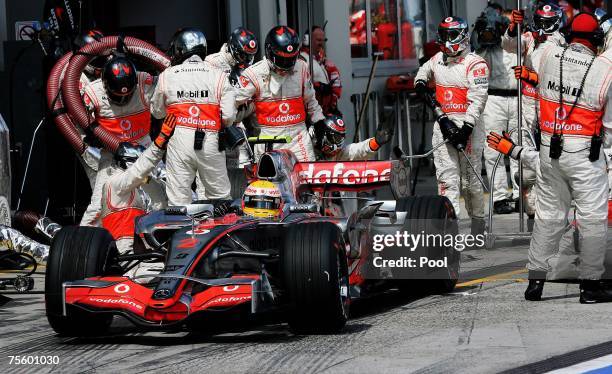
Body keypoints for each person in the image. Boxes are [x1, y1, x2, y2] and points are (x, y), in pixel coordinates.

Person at [519, 13, 611, 303]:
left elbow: (549, 42)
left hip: (549, 151)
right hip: (586, 154)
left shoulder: (547, 54)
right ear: (597, 40)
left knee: (547, 217)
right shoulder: (604, 69)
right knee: (593, 220)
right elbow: (609, 128)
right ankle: (590, 288)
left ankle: (535, 283)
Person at [414, 16, 489, 235]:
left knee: (470, 183)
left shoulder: (476, 63)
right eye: (444, 35)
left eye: (452, 35)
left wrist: (466, 129)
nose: (447, 40)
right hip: (442, 124)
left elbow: (479, 99)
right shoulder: (437, 59)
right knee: (447, 181)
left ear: (463, 36)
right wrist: (421, 84)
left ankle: (478, 227)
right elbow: (421, 74)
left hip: (469, 128)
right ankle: (451, 231)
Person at [150, 28, 237, 206]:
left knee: (179, 201)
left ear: (179, 50)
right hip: (210, 141)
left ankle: (183, 233)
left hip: (179, 141)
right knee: (220, 199)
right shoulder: (219, 75)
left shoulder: (167, 75)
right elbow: (228, 117)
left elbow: (157, 111)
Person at [80, 56, 160, 227]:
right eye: (118, 95)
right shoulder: (93, 92)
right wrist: (93, 136)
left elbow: (170, 88)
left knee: (163, 196)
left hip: (145, 148)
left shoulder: (144, 82)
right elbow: (79, 120)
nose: (123, 99)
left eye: (127, 94)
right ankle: (81, 245)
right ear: (105, 85)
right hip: (112, 153)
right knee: (98, 206)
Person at [503, 3, 566, 214]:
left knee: (548, 154)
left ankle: (548, 203)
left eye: (546, 23)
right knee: (523, 148)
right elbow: (509, 45)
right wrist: (514, 26)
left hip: (549, 103)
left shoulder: (561, 44)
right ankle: (528, 202)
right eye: (539, 22)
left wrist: (531, 77)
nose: (541, 27)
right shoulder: (529, 38)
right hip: (528, 102)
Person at [235, 25, 325, 162]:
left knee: (307, 180)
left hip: (298, 140)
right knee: (269, 184)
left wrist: (319, 121)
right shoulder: (253, 74)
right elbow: (230, 103)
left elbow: (311, 100)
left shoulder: (301, 67)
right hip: (268, 141)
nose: (286, 64)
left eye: (290, 59)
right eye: (282, 59)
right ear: (270, 52)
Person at [100, 114, 177, 254]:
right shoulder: (114, 183)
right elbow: (140, 170)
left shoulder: (140, 183)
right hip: (122, 251)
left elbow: (160, 200)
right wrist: (160, 142)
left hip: (144, 250)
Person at [473, 5, 519, 214]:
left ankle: (521, 194)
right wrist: (485, 31)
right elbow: (476, 52)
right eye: (504, 22)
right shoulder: (487, 46)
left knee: (520, 147)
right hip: (494, 99)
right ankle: (499, 197)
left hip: (518, 99)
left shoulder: (521, 41)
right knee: (493, 150)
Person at [205, 27, 259, 170]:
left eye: (250, 56)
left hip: (239, 118)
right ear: (233, 48)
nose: (247, 60)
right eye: (244, 55)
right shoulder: (212, 63)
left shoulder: (248, 66)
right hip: (217, 123)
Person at [311, 113, 392, 161]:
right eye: (336, 137)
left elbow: (358, 150)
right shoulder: (305, 145)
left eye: (341, 138)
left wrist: (376, 142)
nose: (339, 142)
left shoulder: (339, 155)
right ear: (324, 134)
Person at [299, 26, 342, 114]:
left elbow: (336, 80)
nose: (321, 43)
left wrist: (332, 102)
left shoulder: (321, 60)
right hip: (310, 113)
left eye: (323, 40)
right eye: (318, 40)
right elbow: (299, 85)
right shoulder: (302, 60)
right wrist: (318, 87)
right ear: (307, 40)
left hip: (324, 110)